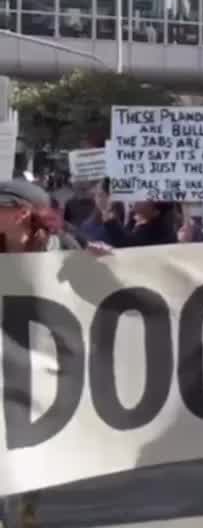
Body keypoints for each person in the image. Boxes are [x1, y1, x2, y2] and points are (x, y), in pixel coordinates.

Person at [0, 180, 80, 527]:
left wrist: (98, 258)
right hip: (3, 355)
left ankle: (28, 507)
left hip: (42, 357)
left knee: (30, 443)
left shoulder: (60, 247)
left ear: (22, 213)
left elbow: (93, 283)